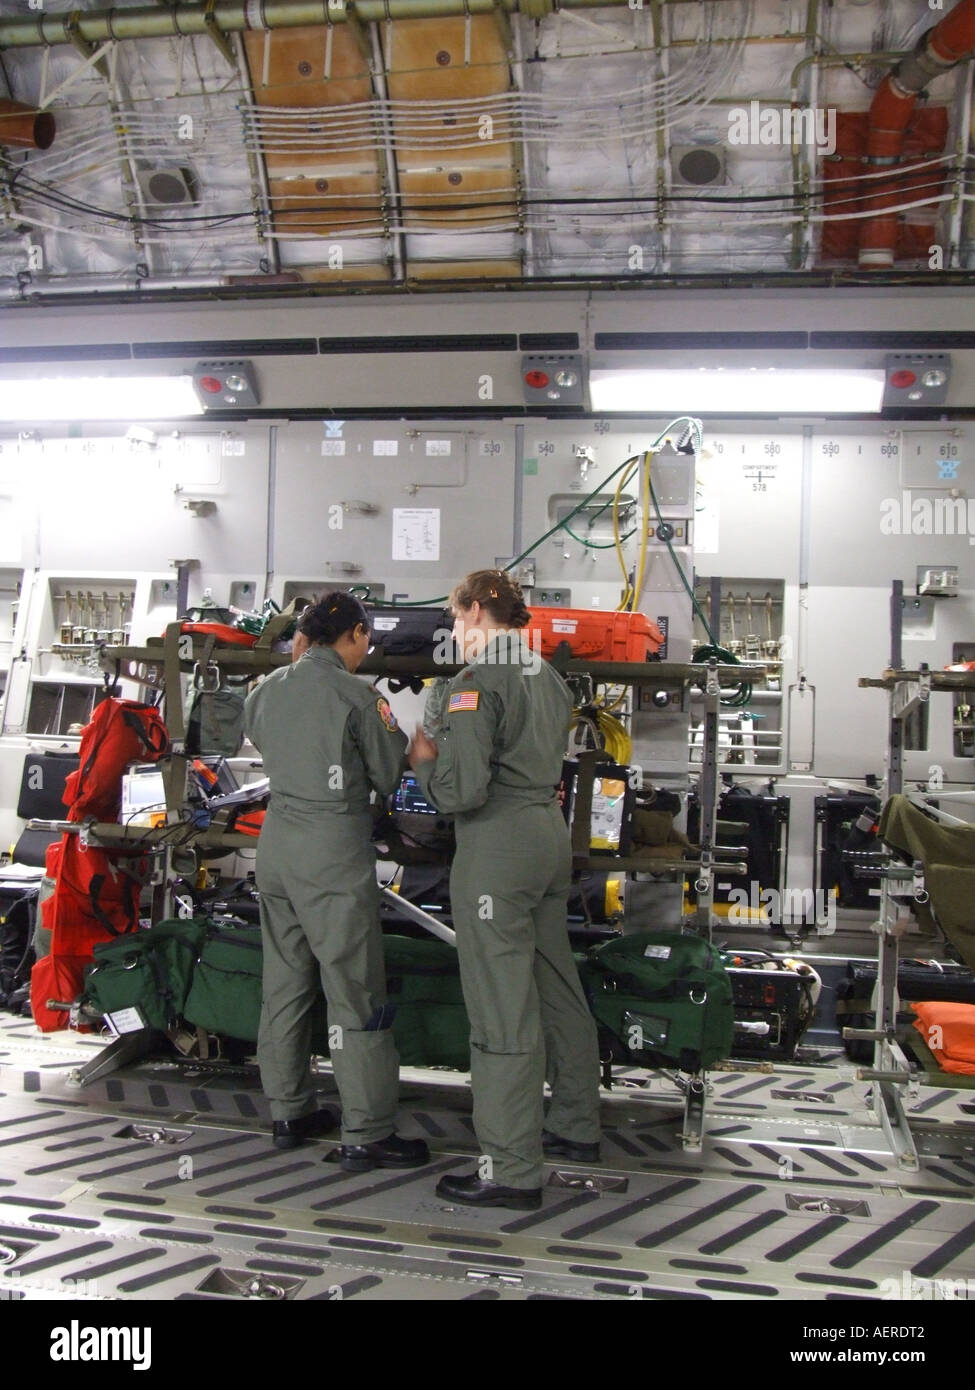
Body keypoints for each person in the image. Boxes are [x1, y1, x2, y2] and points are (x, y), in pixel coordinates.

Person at [408, 570, 601, 1210]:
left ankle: (510, 1167)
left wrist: (424, 761)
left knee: (501, 1006)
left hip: (498, 844)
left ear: (475, 614)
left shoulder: (476, 683)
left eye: (455, 619)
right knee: (554, 983)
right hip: (548, 835)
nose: (453, 633)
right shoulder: (547, 675)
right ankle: (575, 1122)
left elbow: (464, 791)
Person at [244, 592, 430, 1173]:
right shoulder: (356, 695)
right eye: (365, 640)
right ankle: (367, 1131)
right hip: (331, 853)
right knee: (354, 988)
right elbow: (386, 768)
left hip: (276, 849)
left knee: (286, 981)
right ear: (351, 635)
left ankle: (289, 1111)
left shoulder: (265, 690)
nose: (367, 650)